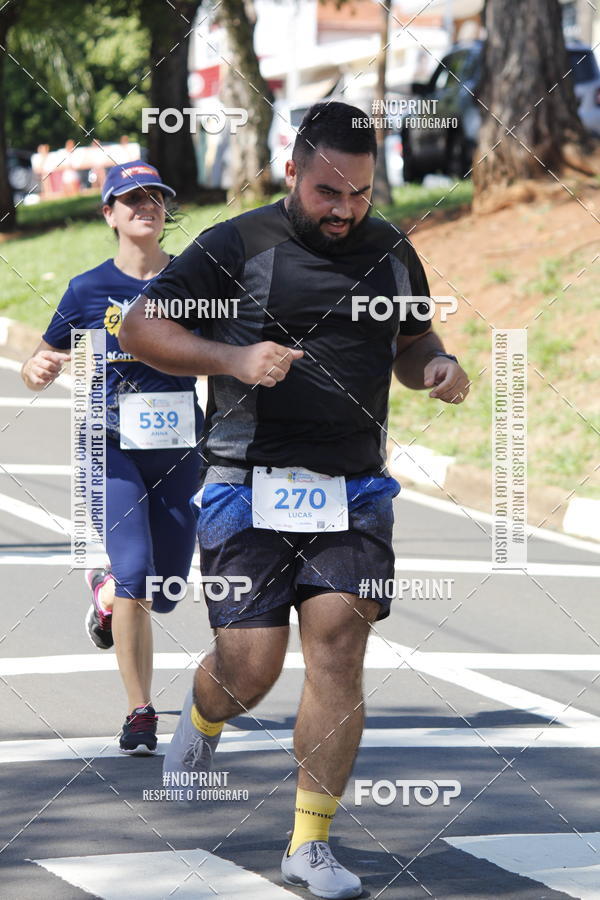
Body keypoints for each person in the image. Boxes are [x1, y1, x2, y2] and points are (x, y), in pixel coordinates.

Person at [119, 102, 470, 899]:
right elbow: (140, 328)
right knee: (251, 670)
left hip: (355, 484)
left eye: (360, 195)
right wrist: (231, 359)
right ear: (293, 172)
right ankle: (207, 714)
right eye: (327, 192)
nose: (345, 211)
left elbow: (413, 343)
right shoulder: (234, 245)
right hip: (246, 482)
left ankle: (309, 845)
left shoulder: (391, 249)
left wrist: (438, 370)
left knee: (340, 646)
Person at [21, 160, 204, 755]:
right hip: (111, 448)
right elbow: (38, 362)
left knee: (166, 589)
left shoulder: (193, 280)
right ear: (110, 214)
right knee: (135, 571)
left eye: (155, 197)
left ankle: (104, 596)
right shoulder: (86, 289)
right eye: (131, 199)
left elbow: (225, 352)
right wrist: (39, 368)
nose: (146, 207)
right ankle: (140, 712)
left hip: (177, 449)